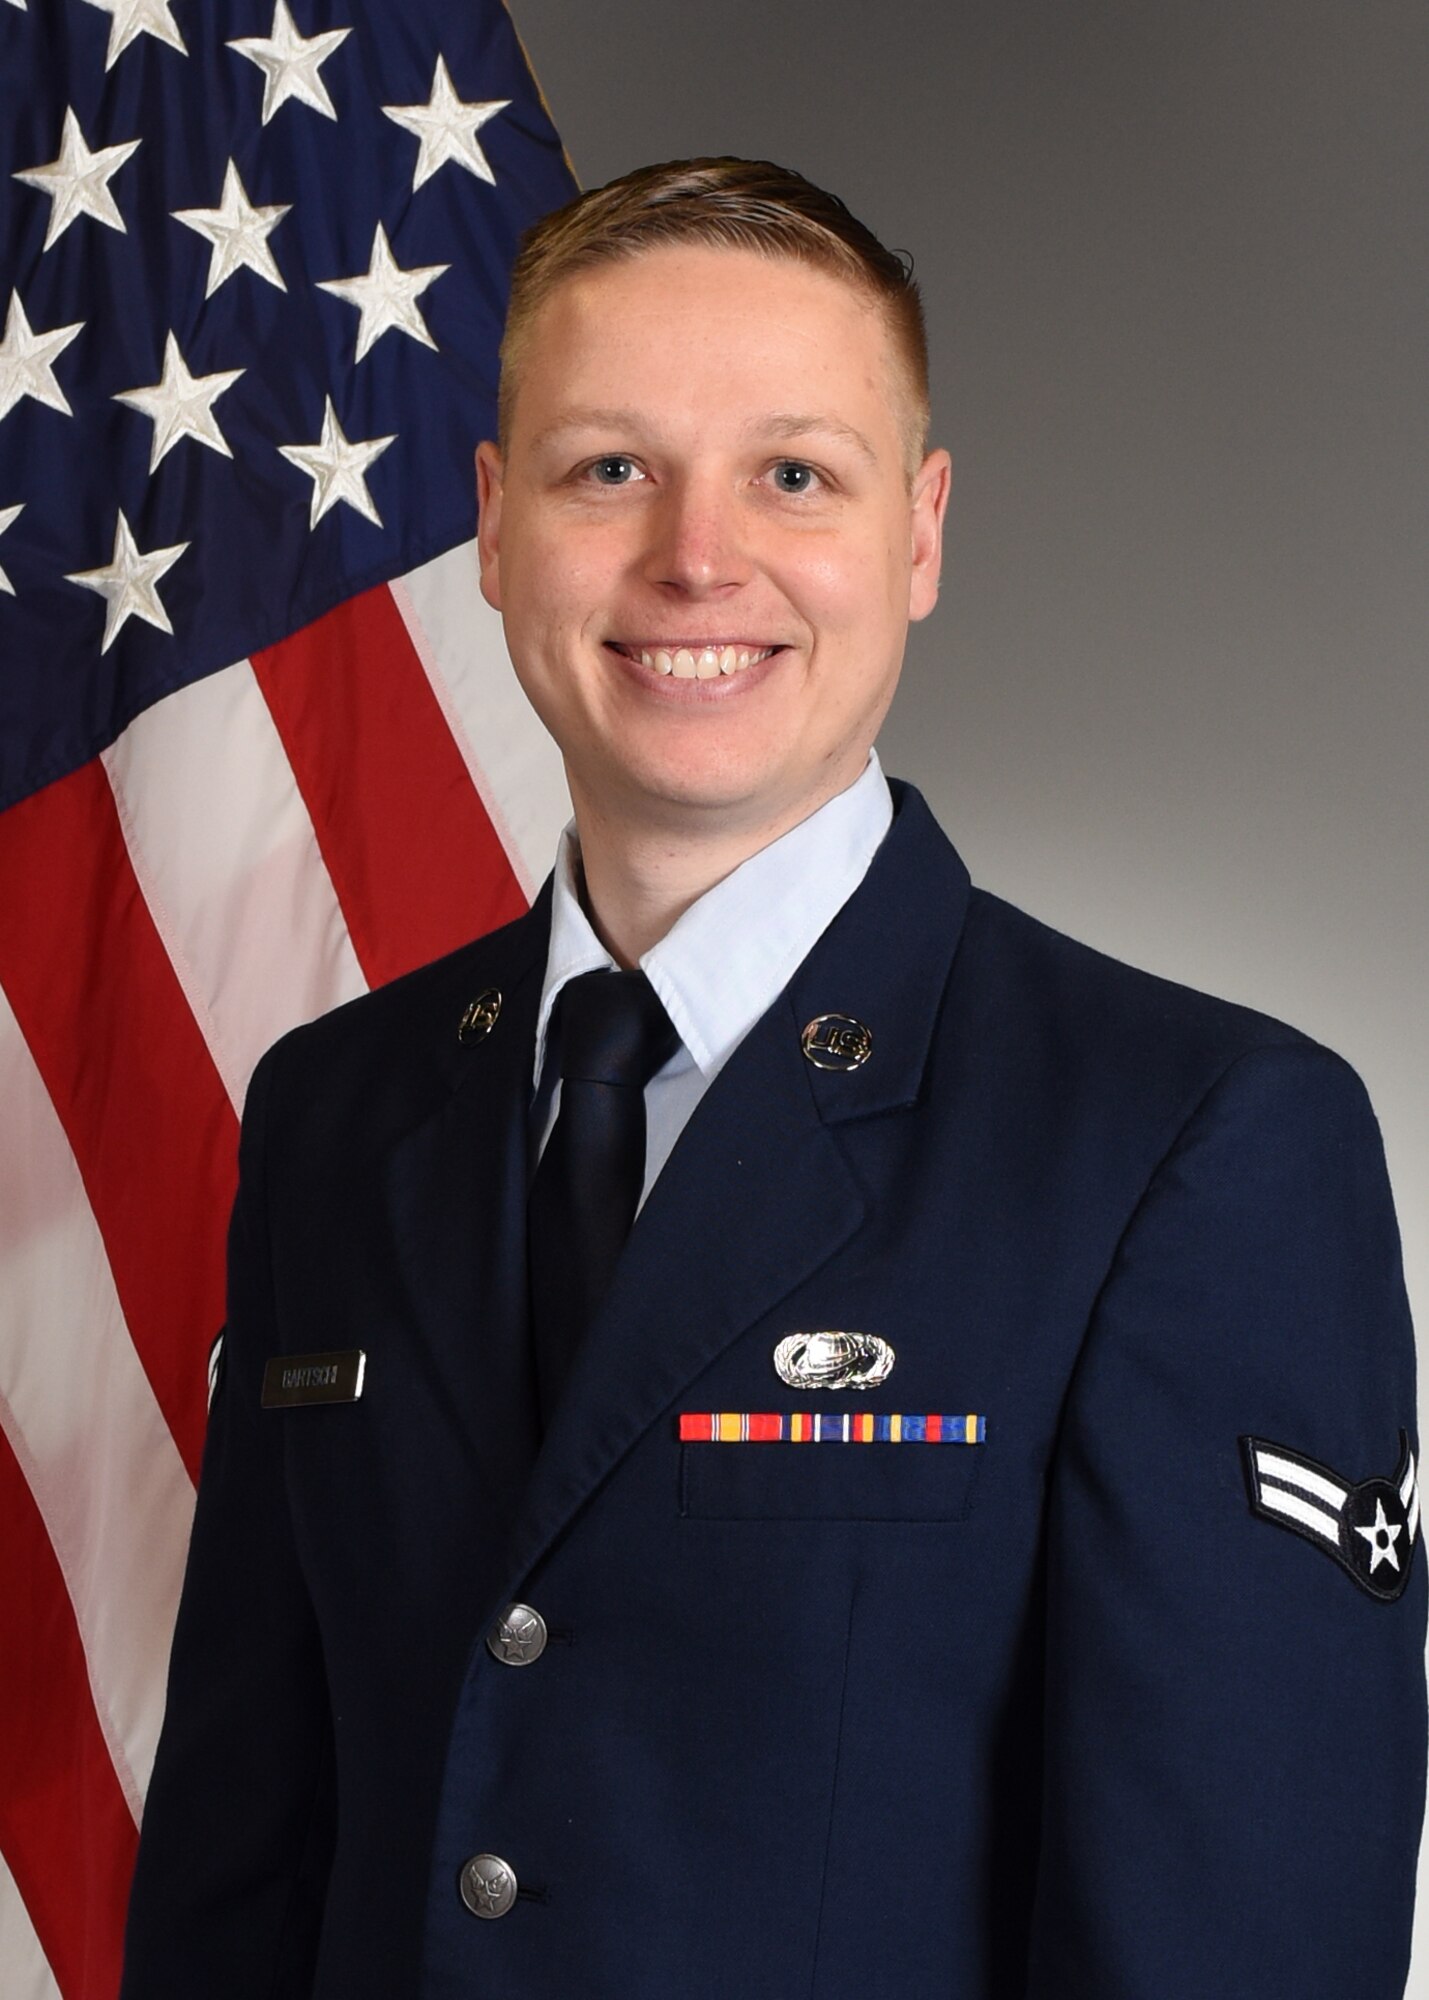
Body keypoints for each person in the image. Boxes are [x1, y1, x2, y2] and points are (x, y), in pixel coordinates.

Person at [120, 158, 1425, 1999]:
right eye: (608, 471)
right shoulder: (341, 1112)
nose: (695, 560)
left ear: (919, 533)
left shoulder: (1186, 1144)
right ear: (493, 527)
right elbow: (240, 1879)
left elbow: (1235, 1943)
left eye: (792, 473)